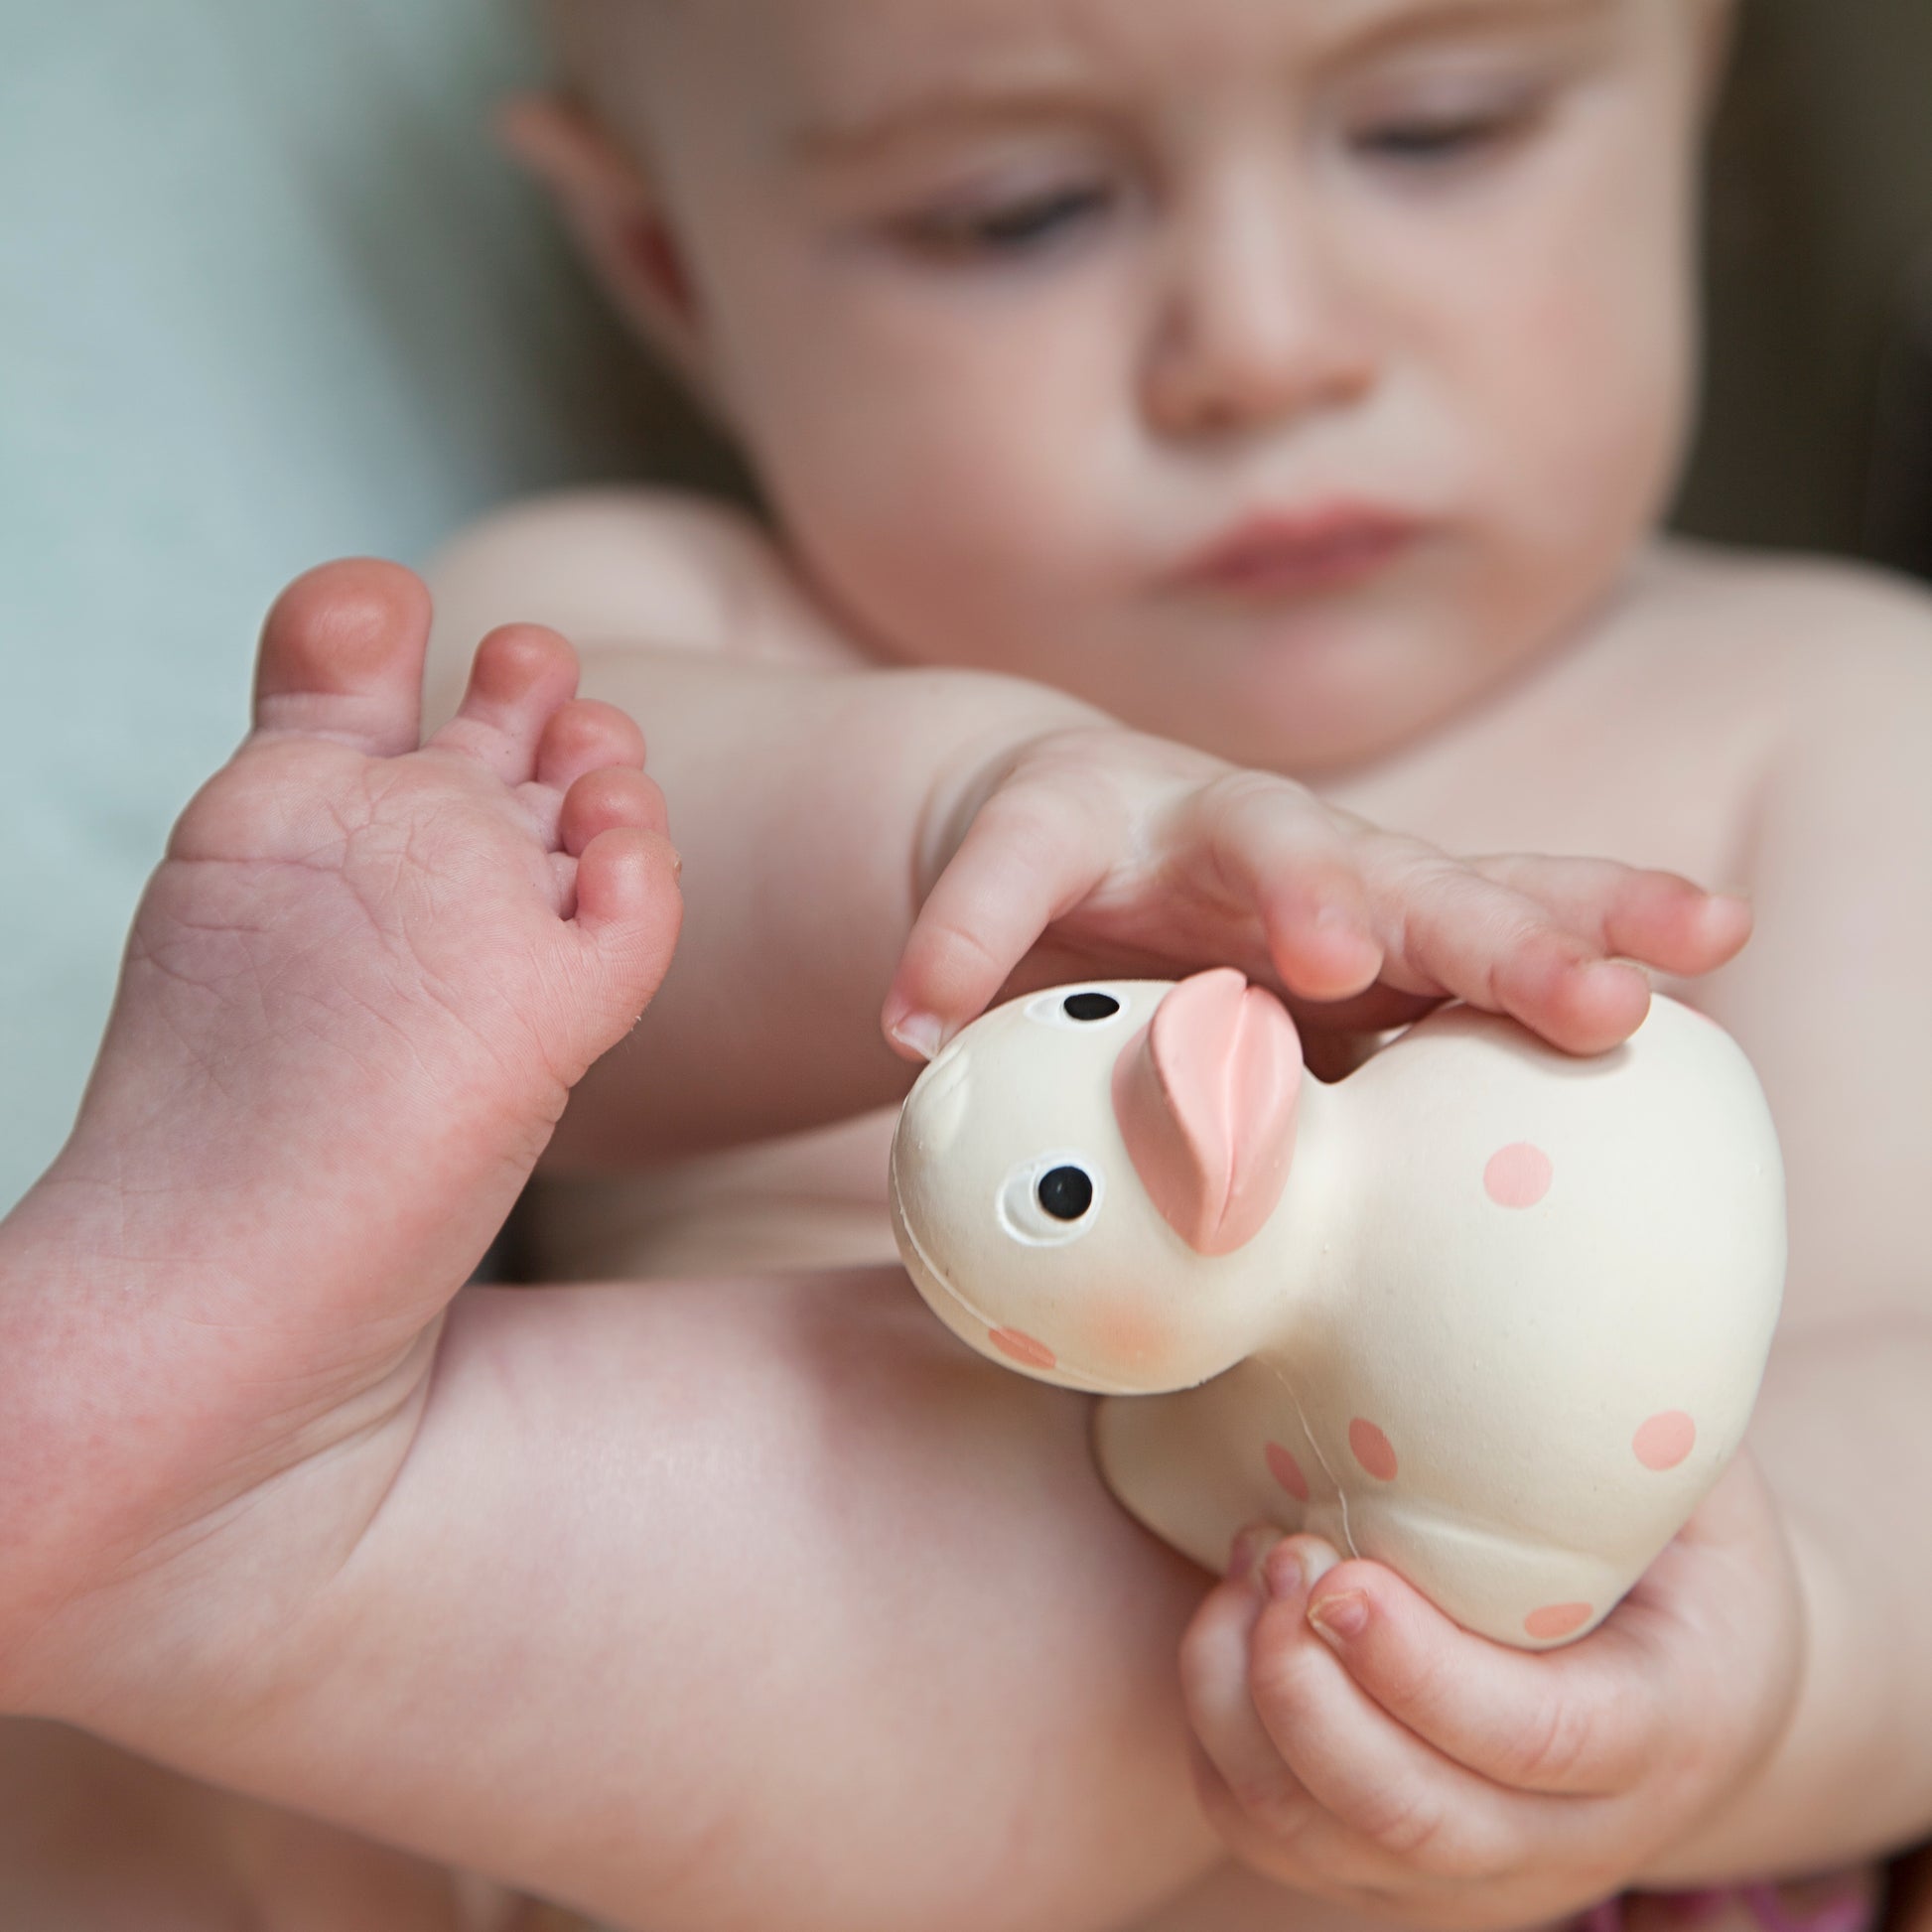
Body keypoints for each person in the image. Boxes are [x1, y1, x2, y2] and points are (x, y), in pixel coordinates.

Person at [2, 1, 1929, 1929]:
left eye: (1433, 131)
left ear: (1696, 98)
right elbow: (581, 960)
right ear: (671, 272)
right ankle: (201, 1527)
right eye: (1018, 215)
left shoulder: (1830, 718)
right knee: (972, 1477)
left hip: (1463, 1832)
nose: (1263, 348)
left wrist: (1765, 1663)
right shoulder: (667, 614)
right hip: (632, 1736)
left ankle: (180, 1545)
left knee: (1242, 1580)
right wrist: (955, 816)